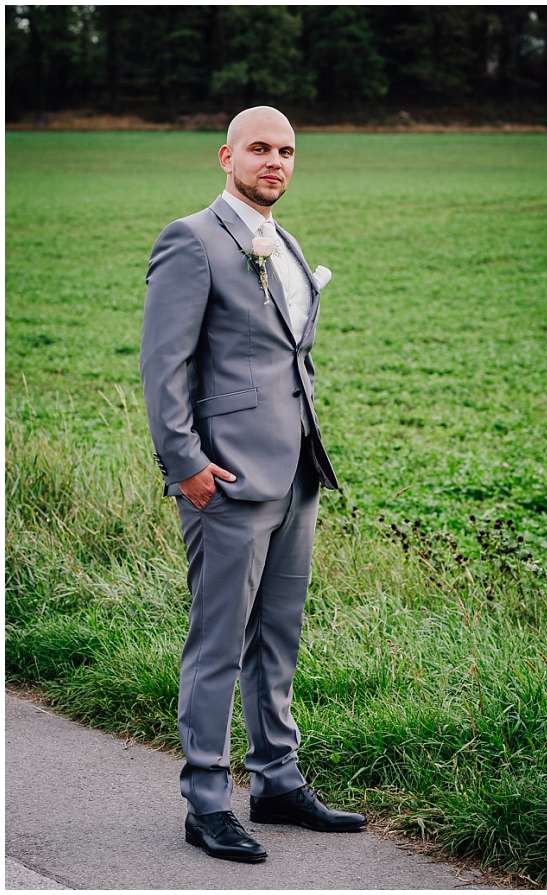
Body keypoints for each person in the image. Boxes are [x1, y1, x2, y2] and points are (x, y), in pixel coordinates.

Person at [140, 106, 366, 863]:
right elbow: (163, 366)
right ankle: (206, 801)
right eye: (261, 148)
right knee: (219, 640)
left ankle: (276, 779)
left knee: (278, 636)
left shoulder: (287, 240)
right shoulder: (192, 239)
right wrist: (187, 466)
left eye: (288, 150)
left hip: (298, 469)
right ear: (225, 155)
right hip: (226, 478)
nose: (276, 161)